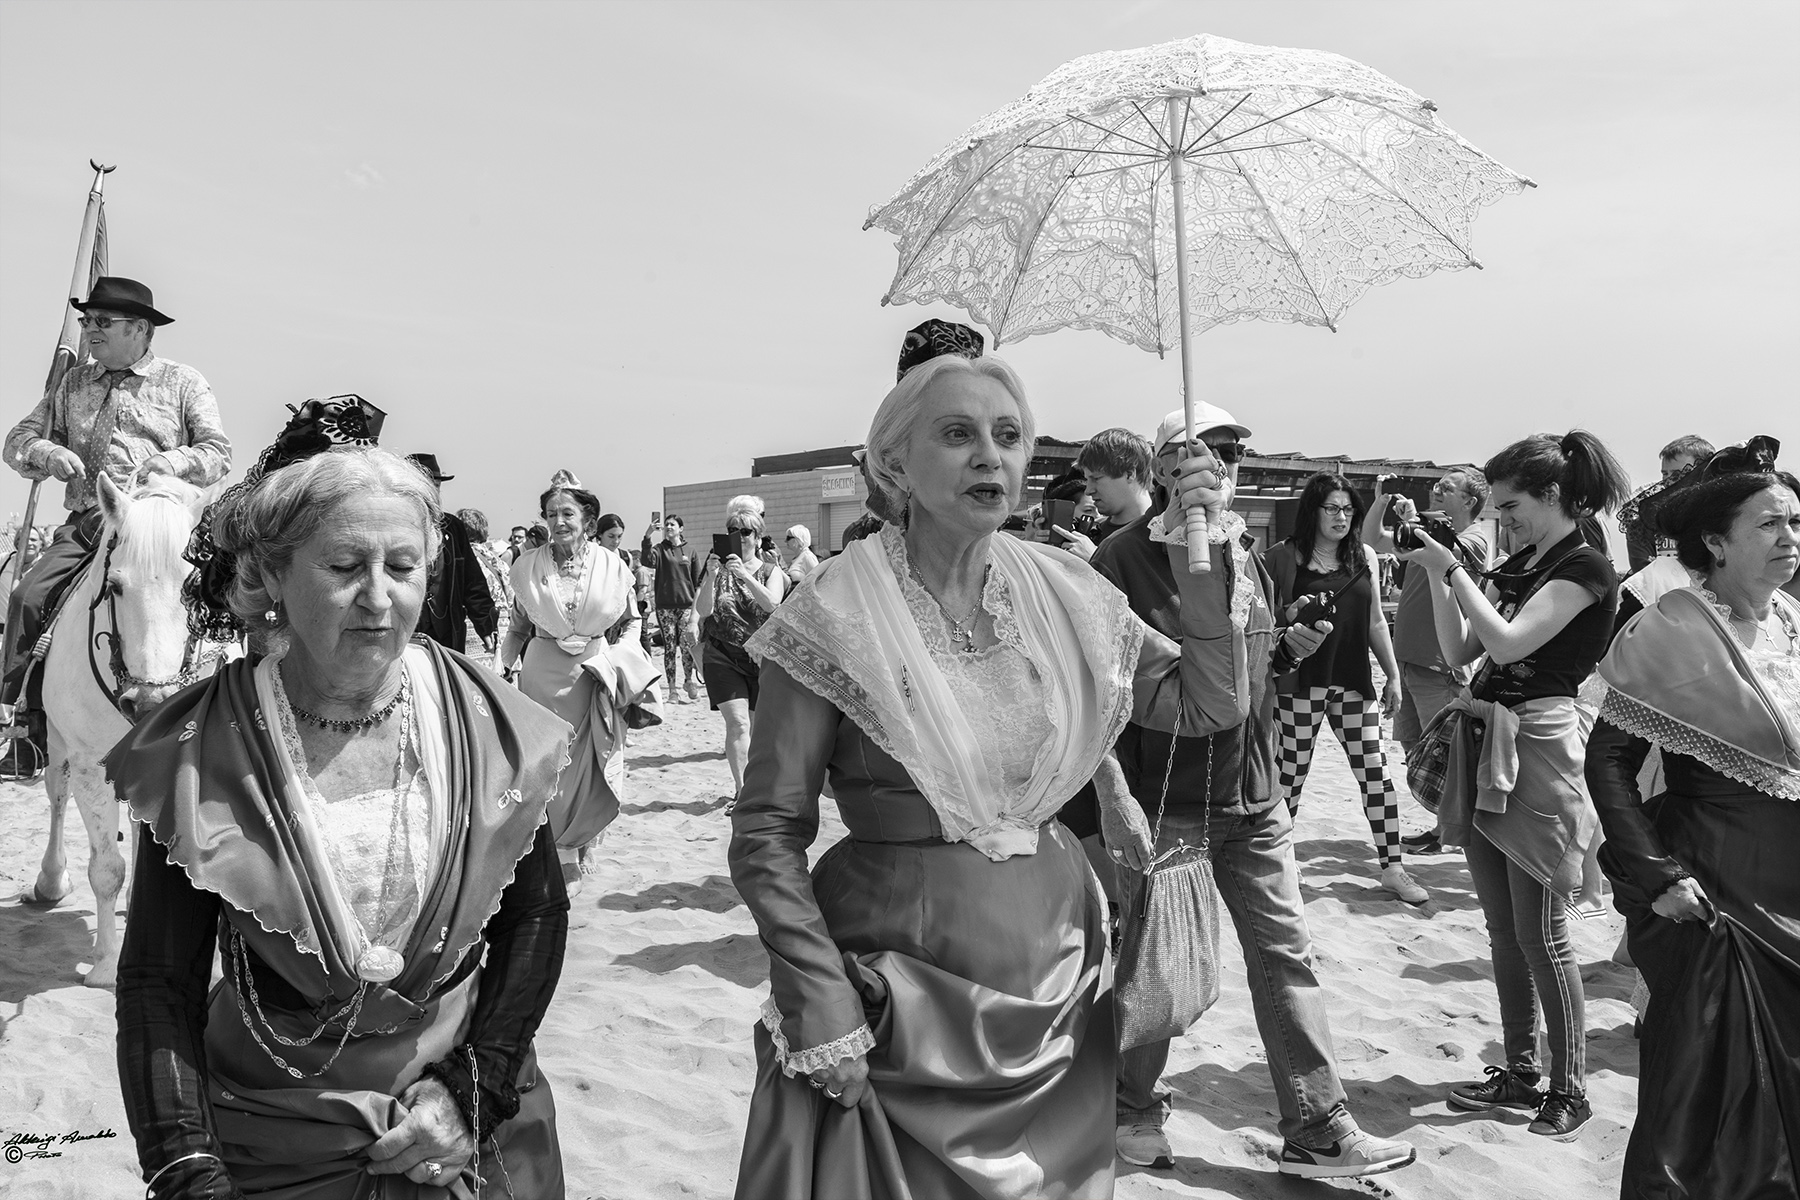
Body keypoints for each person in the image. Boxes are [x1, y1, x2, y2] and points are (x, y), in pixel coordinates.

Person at [728, 336, 1187, 1199]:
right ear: (893, 464)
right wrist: (818, 993)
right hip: (897, 993)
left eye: (1010, 435)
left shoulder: (1069, 591)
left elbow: (1206, 705)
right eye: (959, 434)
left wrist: (1207, 553)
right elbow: (766, 831)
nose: (992, 456)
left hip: (1060, 971)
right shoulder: (829, 614)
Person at [111, 426, 572, 1197]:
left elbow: (537, 915)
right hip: (266, 1134)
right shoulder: (194, 753)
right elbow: (160, 980)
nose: (380, 597)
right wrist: (186, 1166)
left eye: (403, 567)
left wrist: (475, 1089)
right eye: (344, 566)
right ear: (269, 576)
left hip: (462, 1128)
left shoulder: (493, 724)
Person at [1099, 404, 1417, 1179]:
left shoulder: (1249, 549)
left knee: (1286, 958)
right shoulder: (1119, 560)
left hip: (1253, 789)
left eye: (1238, 451)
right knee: (1159, 964)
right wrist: (1114, 797)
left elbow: (1243, 678)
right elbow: (1102, 693)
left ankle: (1317, 1124)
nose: (1230, 463)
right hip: (1166, 795)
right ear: (1170, 465)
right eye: (1213, 451)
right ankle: (1130, 1110)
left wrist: (1283, 654)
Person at [1584, 437, 1799, 1199]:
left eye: (1796, 524)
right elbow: (1607, 763)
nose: (1790, 541)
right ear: (1716, 540)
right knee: (1700, 1088)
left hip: (1792, 883)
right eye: (1770, 525)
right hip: (1712, 889)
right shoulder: (1672, 625)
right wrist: (1656, 875)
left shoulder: (1794, 627)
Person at [1402, 429, 1631, 1141]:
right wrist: (1440, 573)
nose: (1504, 519)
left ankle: (1571, 1087)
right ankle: (1520, 1069)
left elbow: (1506, 643)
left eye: (1512, 505)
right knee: (1505, 930)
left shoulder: (1587, 564)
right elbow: (1457, 650)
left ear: (1556, 495)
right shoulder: (1523, 559)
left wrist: (1455, 569)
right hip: (1488, 737)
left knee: (1542, 932)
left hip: (1538, 745)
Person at [2, 276, 232, 712]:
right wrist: (48, 452)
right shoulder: (71, 383)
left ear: (140, 329)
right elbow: (17, 440)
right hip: (89, 523)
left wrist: (174, 462)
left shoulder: (183, 382)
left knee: (229, 602)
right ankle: (18, 714)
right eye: (87, 319)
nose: (90, 328)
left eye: (103, 320)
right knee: (26, 597)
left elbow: (218, 452)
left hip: (162, 528)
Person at [1267, 472, 1424, 903]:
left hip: (1353, 681)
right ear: (1312, 511)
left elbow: (1375, 620)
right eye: (1332, 508)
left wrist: (1391, 675)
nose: (1342, 517)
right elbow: (1261, 620)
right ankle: (1281, 863)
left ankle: (1393, 867)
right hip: (1299, 684)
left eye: (1348, 509)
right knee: (1290, 777)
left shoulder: (1365, 557)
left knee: (1375, 772)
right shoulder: (1283, 556)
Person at [502, 473, 661, 892]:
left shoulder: (614, 565)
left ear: (588, 520)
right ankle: (555, 845)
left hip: (594, 672)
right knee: (545, 760)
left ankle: (588, 839)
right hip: (540, 674)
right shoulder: (527, 567)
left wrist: (616, 657)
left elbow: (631, 622)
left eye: (567, 513)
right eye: (551, 514)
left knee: (594, 758)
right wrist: (503, 665)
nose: (559, 521)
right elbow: (518, 628)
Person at [1362, 469, 1493, 853]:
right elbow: (1373, 540)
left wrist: (1414, 523)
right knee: (1416, 749)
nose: (1436, 490)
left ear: (1469, 502)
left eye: (1446, 488)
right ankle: (1441, 828)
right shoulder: (1426, 535)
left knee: (1446, 755)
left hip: (1440, 664)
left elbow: (1452, 558)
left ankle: (1450, 831)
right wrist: (1383, 499)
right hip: (1409, 661)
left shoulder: (1475, 536)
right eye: (1436, 485)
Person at [696, 494, 785, 803]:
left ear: (758, 537)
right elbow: (704, 610)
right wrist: (710, 577)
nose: (739, 537)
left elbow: (773, 604)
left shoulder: (771, 571)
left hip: (761, 659)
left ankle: (761, 787)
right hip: (721, 655)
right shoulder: (717, 570)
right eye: (733, 530)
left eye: (746, 531)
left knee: (760, 730)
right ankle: (742, 792)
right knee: (738, 724)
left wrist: (745, 574)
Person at [406, 454, 496, 655]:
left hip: (446, 633)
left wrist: (486, 624)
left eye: (436, 486)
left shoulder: (452, 527)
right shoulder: (394, 526)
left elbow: (472, 582)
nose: (433, 491)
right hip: (405, 632)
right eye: (427, 484)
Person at [642, 513, 705, 704]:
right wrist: (648, 536)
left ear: (681, 528)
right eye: (667, 525)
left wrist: (698, 610)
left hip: (686, 606)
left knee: (687, 646)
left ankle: (688, 681)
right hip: (665, 607)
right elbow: (647, 561)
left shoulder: (691, 551)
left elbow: (698, 582)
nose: (669, 527)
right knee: (670, 647)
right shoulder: (660, 549)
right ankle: (672, 690)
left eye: (672, 524)